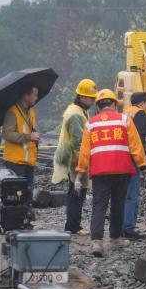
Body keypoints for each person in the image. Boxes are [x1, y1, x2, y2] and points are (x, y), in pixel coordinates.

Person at [74, 89, 146, 257]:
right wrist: (143, 167)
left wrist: (79, 175)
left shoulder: (91, 124)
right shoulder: (125, 120)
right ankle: (115, 238)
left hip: (100, 172)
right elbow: (136, 147)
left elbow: (84, 152)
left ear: (99, 106)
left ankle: (96, 242)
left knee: (99, 205)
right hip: (122, 170)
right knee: (118, 204)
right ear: (114, 104)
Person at [53, 79, 98, 236]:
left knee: (76, 191)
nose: (93, 101)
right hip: (76, 159)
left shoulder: (78, 111)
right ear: (82, 97)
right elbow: (78, 141)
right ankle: (73, 226)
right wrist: (83, 163)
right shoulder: (75, 115)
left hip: (76, 157)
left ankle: (72, 224)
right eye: (91, 98)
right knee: (77, 192)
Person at [121, 92, 146, 239]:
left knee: (121, 194)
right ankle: (128, 229)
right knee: (132, 196)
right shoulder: (141, 115)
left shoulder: (124, 113)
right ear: (143, 103)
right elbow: (138, 141)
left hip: (120, 158)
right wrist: (142, 163)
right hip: (132, 160)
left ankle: (119, 226)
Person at [2, 85, 40, 192]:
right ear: (26, 96)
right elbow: (7, 134)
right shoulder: (12, 112)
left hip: (29, 160)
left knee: (27, 191)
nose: (36, 98)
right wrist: (28, 137)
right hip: (15, 161)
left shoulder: (31, 111)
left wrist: (34, 135)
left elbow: (30, 129)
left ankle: (27, 208)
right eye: (35, 95)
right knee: (16, 192)